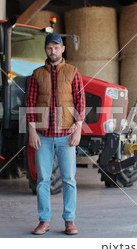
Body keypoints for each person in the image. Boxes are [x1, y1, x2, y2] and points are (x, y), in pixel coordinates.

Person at [26, 33, 85, 235]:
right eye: (49, 48)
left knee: (68, 179)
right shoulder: (36, 74)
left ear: (62, 49)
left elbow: (80, 101)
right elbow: (30, 104)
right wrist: (32, 131)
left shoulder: (72, 72)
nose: (53, 51)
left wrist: (78, 129)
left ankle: (69, 221)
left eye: (56, 47)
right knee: (43, 179)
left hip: (66, 136)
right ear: (46, 50)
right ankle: (44, 220)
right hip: (42, 135)